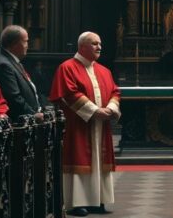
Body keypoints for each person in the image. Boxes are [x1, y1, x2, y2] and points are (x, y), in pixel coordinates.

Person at [50, 32, 121, 216]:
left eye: (100, 44)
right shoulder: (67, 68)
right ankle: (76, 203)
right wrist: (96, 111)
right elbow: (68, 93)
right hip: (78, 125)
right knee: (78, 158)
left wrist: (111, 108)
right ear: (82, 47)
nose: (99, 47)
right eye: (94, 43)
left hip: (101, 125)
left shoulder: (104, 70)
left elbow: (115, 92)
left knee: (98, 161)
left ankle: (97, 200)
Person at [0, 25, 43, 120]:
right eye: (25, 41)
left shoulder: (12, 61)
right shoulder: (4, 65)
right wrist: (33, 115)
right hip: (19, 123)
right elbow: (14, 98)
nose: (27, 45)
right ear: (14, 44)